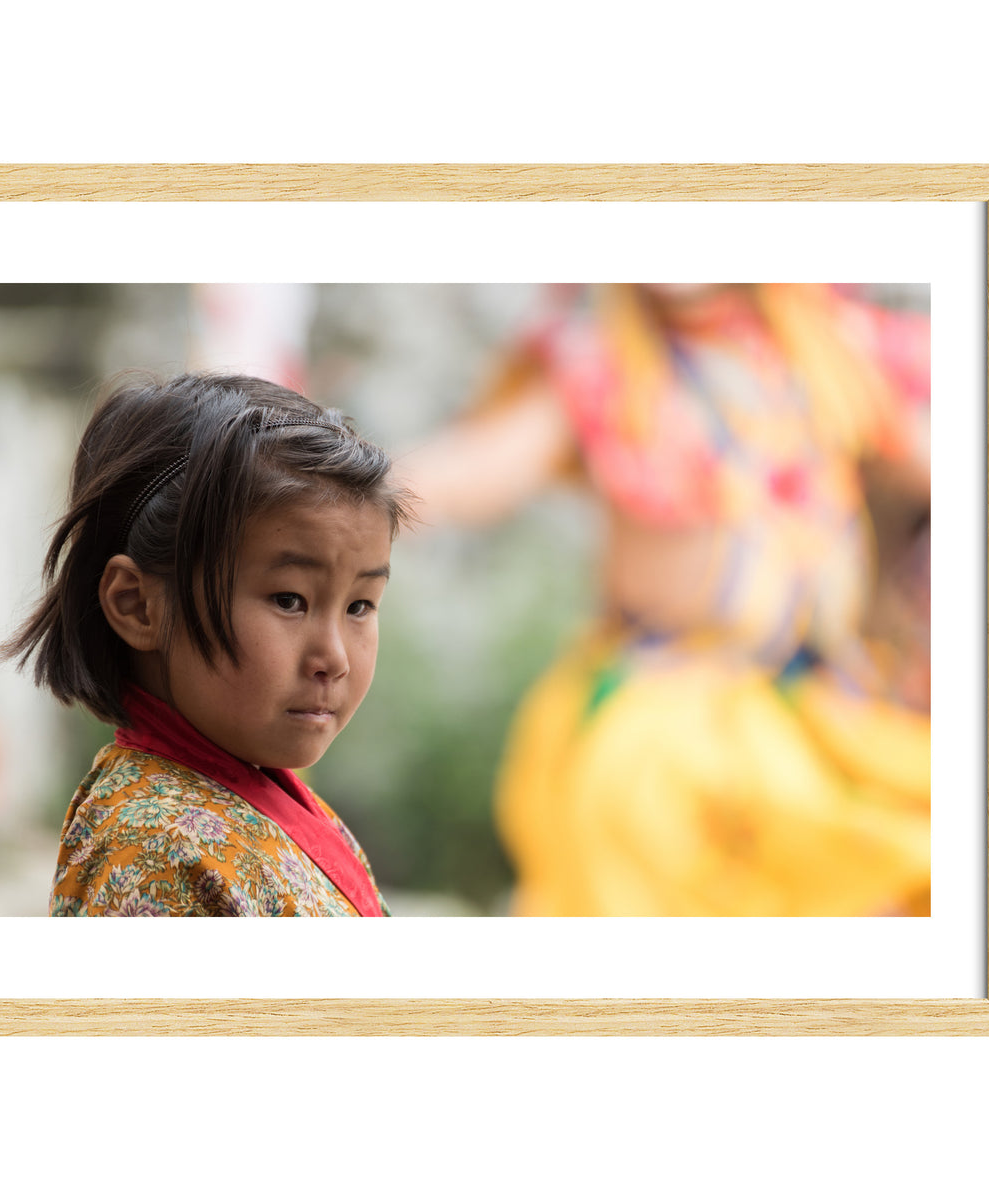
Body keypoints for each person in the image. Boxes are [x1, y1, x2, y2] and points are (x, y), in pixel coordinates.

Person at [397, 283, 931, 917]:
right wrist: (347, 493)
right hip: (668, 716)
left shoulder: (824, 349)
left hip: (818, 707)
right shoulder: (600, 361)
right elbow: (478, 470)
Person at [0, 373, 414, 917]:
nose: (334, 658)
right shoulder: (155, 849)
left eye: (359, 605)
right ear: (137, 605)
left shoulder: (263, 797)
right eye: (289, 600)